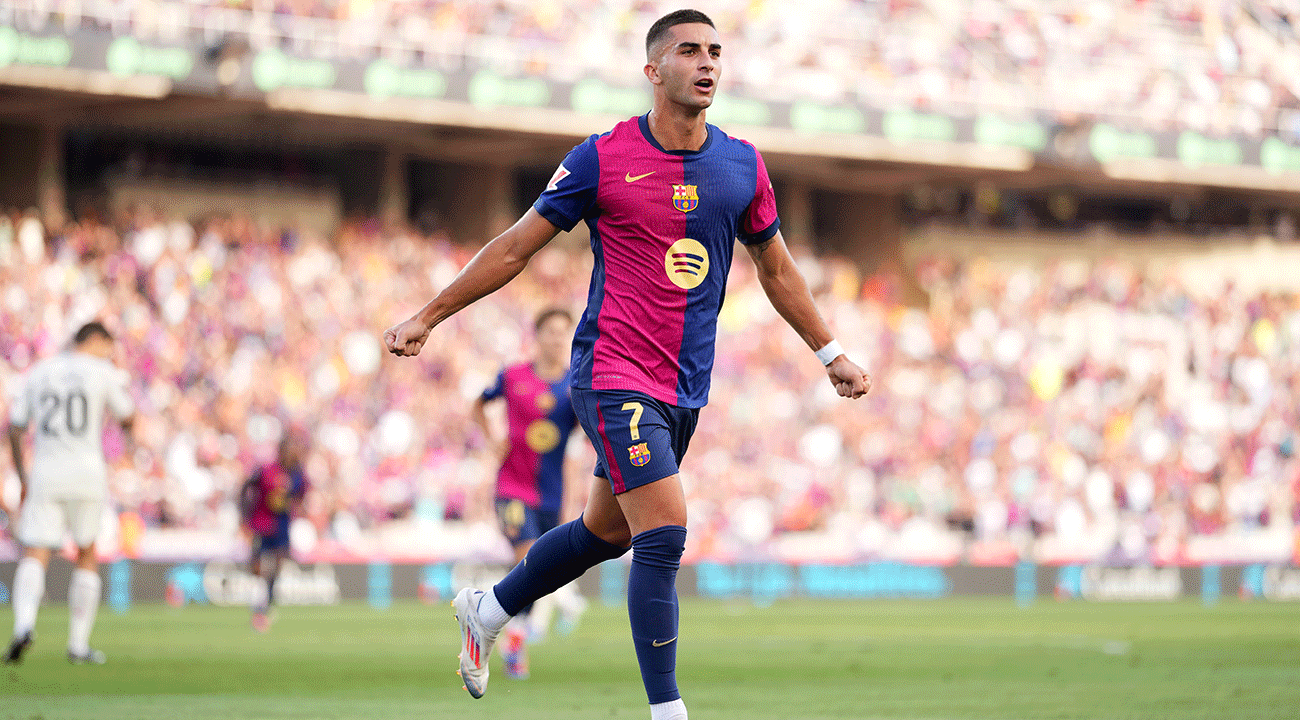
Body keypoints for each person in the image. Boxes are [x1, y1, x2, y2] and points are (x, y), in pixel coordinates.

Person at [384, 9, 872, 720]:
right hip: (612, 373)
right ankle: (666, 710)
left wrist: (830, 351)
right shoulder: (601, 157)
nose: (707, 64)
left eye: (715, 52)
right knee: (664, 530)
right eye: (689, 52)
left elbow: (776, 268)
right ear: (653, 70)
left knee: (605, 533)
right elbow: (517, 247)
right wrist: (426, 315)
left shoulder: (742, 164)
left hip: (685, 390)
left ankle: (488, 607)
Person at [4, 321, 135, 665]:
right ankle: (77, 645)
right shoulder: (102, 371)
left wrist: (23, 476)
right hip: (87, 471)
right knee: (87, 552)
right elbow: (128, 418)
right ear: (96, 340)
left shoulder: (40, 371)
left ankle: (23, 625)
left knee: (36, 551)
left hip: (46, 471)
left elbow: (16, 429)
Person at [471, 307, 586, 679]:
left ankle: (511, 637)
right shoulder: (512, 375)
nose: (557, 339)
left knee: (539, 570)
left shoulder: (574, 386)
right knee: (529, 557)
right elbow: (478, 404)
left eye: (563, 332)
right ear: (537, 335)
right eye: (550, 331)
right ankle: (500, 632)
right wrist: (491, 441)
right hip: (511, 488)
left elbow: (585, 435)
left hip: (550, 495)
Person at [239, 426, 310, 632]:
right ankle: (259, 597)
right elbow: (246, 487)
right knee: (257, 566)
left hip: (281, 525)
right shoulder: (267, 470)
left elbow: (301, 493)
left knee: (278, 565)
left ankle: (264, 605)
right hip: (261, 523)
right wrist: (245, 515)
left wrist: (291, 503)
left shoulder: (298, 474)